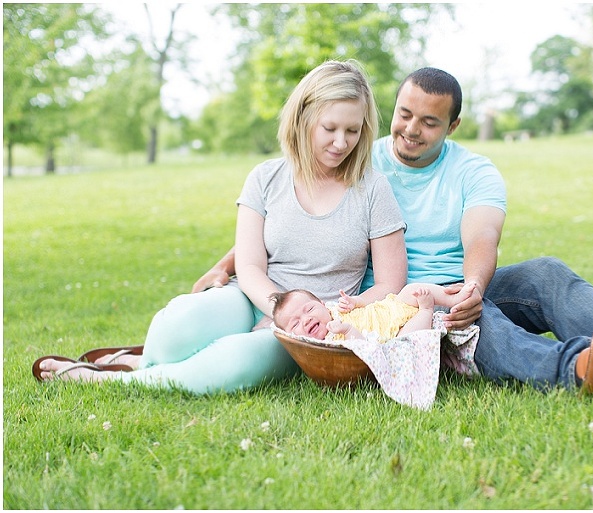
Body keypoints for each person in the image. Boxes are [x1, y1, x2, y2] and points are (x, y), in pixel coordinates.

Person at [190, 66, 593, 396]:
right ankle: (580, 368)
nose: (410, 130)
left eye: (429, 122)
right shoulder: (360, 157)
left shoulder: (474, 171)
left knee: (545, 274)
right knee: (475, 321)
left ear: (453, 127)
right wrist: (227, 262)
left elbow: (482, 239)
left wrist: (472, 285)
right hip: (404, 298)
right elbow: (293, 213)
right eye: (404, 114)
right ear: (392, 110)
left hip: (462, 280)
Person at [33, 60, 408, 392]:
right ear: (304, 117)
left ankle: (116, 377)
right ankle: (145, 360)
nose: (341, 143)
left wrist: (301, 320)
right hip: (252, 297)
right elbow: (248, 267)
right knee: (178, 323)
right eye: (330, 128)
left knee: (234, 361)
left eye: (353, 131)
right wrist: (276, 307)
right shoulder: (265, 178)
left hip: (312, 326)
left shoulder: (373, 189)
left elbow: (390, 284)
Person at [271, 282, 476, 341]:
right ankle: (426, 310)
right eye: (295, 324)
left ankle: (454, 297)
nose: (306, 320)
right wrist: (347, 330)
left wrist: (354, 302)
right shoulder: (329, 342)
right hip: (390, 336)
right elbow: (363, 351)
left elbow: (363, 306)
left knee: (410, 291)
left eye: (309, 309)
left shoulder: (334, 310)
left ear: (324, 306)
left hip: (389, 310)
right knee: (407, 340)